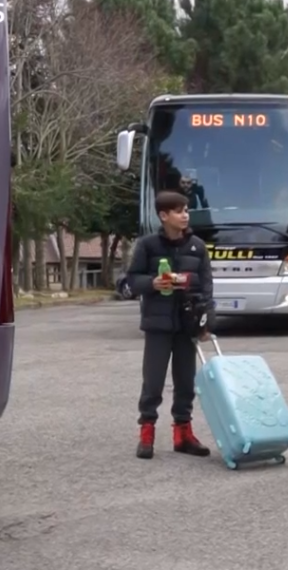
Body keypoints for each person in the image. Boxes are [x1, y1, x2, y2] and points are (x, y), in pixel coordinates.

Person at [125, 191, 214, 460]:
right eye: (178, 211)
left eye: (186, 210)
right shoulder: (147, 245)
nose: (185, 215)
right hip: (158, 325)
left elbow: (207, 289)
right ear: (163, 216)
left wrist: (207, 321)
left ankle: (183, 434)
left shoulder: (198, 246)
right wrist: (151, 283)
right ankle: (147, 432)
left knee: (186, 383)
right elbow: (128, 281)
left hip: (188, 325)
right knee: (152, 382)